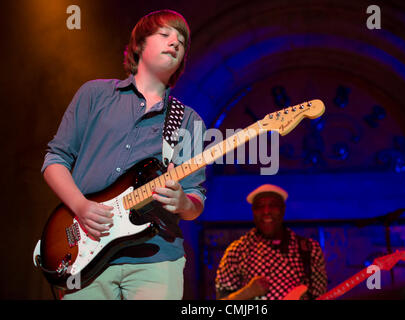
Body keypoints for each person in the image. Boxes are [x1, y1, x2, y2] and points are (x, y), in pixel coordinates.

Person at [41, 10, 206, 300]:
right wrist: (80, 205)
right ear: (140, 45)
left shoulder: (188, 120)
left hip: (156, 258)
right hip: (84, 253)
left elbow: (195, 198)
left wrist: (183, 202)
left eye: (181, 40)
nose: (175, 43)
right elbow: (55, 159)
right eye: (165, 34)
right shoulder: (95, 95)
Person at [215, 184, 328, 300]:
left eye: (273, 205)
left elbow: (321, 296)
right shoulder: (237, 251)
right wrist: (247, 292)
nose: (266, 211)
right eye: (260, 206)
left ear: (283, 209)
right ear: (253, 211)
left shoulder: (309, 249)